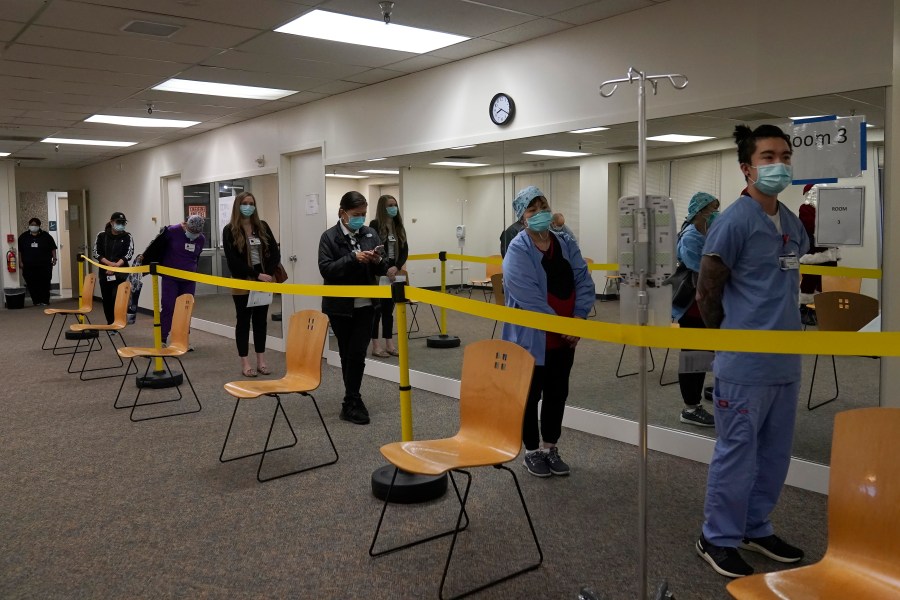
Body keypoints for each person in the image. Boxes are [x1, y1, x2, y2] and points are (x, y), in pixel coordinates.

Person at [694, 124, 810, 579]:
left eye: (784, 155)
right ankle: (716, 536)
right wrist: (731, 338)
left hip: (784, 363)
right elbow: (707, 291)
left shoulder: (792, 221)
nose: (778, 164)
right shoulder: (734, 221)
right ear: (747, 167)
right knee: (737, 453)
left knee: (774, 454)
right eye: (767, 157)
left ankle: (754, 526)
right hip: (744, 364)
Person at [502, 185, 595, 477]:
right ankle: (531, 450)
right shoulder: (518, 250)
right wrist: (562, 326)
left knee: (558, 393)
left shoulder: (565, 242)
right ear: (522, 217)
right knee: (530, 396)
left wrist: (578, 319)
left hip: (566, 336)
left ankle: (550, 447)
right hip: (534, 337)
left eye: (543, 207)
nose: (540, 214)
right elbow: (528, 299)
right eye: (532, 210)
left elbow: (583, 279)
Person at [318, 191, 388, 425]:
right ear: (342, 213)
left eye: (363, 215)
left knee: (358, 353)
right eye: (356, 215)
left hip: (367, 305)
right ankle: (352, 401)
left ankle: (352, 399)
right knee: (347, 353)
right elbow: (326, 269)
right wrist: (352, 258)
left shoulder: (370, 233)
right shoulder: (329, 237)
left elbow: (383, 266)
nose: (360, 219)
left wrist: (377, 259)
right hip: (340, 306)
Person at [669, 192, 718, 428]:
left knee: (704, 356)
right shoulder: (690, 236)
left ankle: (698, 400)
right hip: (693, 308)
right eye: (712, 209)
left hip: (707, 306)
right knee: (693, 358)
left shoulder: (706, 232)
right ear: (700, 212)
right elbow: (702, 269)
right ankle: (690, 407)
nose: (716, 213)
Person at [222, 192, 280, 378]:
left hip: (264, 280)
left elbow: (275, 252)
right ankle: (245, 363)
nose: (249, 206)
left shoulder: (262, 226)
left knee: (261, 321)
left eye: (252, 203)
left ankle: (261, 361)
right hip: (243, 280)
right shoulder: (229, 229)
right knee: (244, 321)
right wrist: (256, 275)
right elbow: (232, 261)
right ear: (238, 206)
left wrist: (268, 274)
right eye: (245, 203)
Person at [139, 215, 206, 345]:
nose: (193, 235)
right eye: (191, 232)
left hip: (189, 279)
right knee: (168, 307)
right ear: (186, 225)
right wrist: (144, 259)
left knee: (186, 309)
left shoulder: (201, 239)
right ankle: (162, 338)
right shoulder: (172, 231)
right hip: (170, 278)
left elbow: (197, 257)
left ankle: (183, 339)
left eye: (196, 233)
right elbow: (156, 246)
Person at [368, 194, 408, 358]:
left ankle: (389, 344)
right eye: (390, 205)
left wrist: (396, 267)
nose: (393, 208)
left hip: (394, 274)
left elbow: (405, 249)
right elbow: (374, 249)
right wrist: (386, 269)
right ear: (382, 208)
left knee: (388, 311)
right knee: (376, 311)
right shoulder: (374, 225)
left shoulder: (398, 225)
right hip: (380, 274)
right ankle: (376, 346)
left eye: (395, 204)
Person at [93, 211, 134, 324]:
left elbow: (128, 254)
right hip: (105, 272)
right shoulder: (101, 235)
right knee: (107, 300)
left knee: (117, 298)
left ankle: (119, 320)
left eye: (123, 223)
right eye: (118, 222)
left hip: (121, 272)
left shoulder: (127, 236)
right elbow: (96, 253)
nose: (121, 224)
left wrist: (115, 266)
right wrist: (110, 265)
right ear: (111, 222)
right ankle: (110, 323)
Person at [18, 217, 57, 306]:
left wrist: (54, 258)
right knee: (31, 283)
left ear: (39, 226)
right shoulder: (23, 237)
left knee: (45, 282)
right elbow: (19, 251)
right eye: (32, 225)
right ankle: (36, 301)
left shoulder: (46, 236)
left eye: (35, 225)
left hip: (44, 264)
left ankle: (45, 300)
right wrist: (20, 261)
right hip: (29, 265)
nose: (33, 226)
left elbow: (53, 248)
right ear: (29, 225)